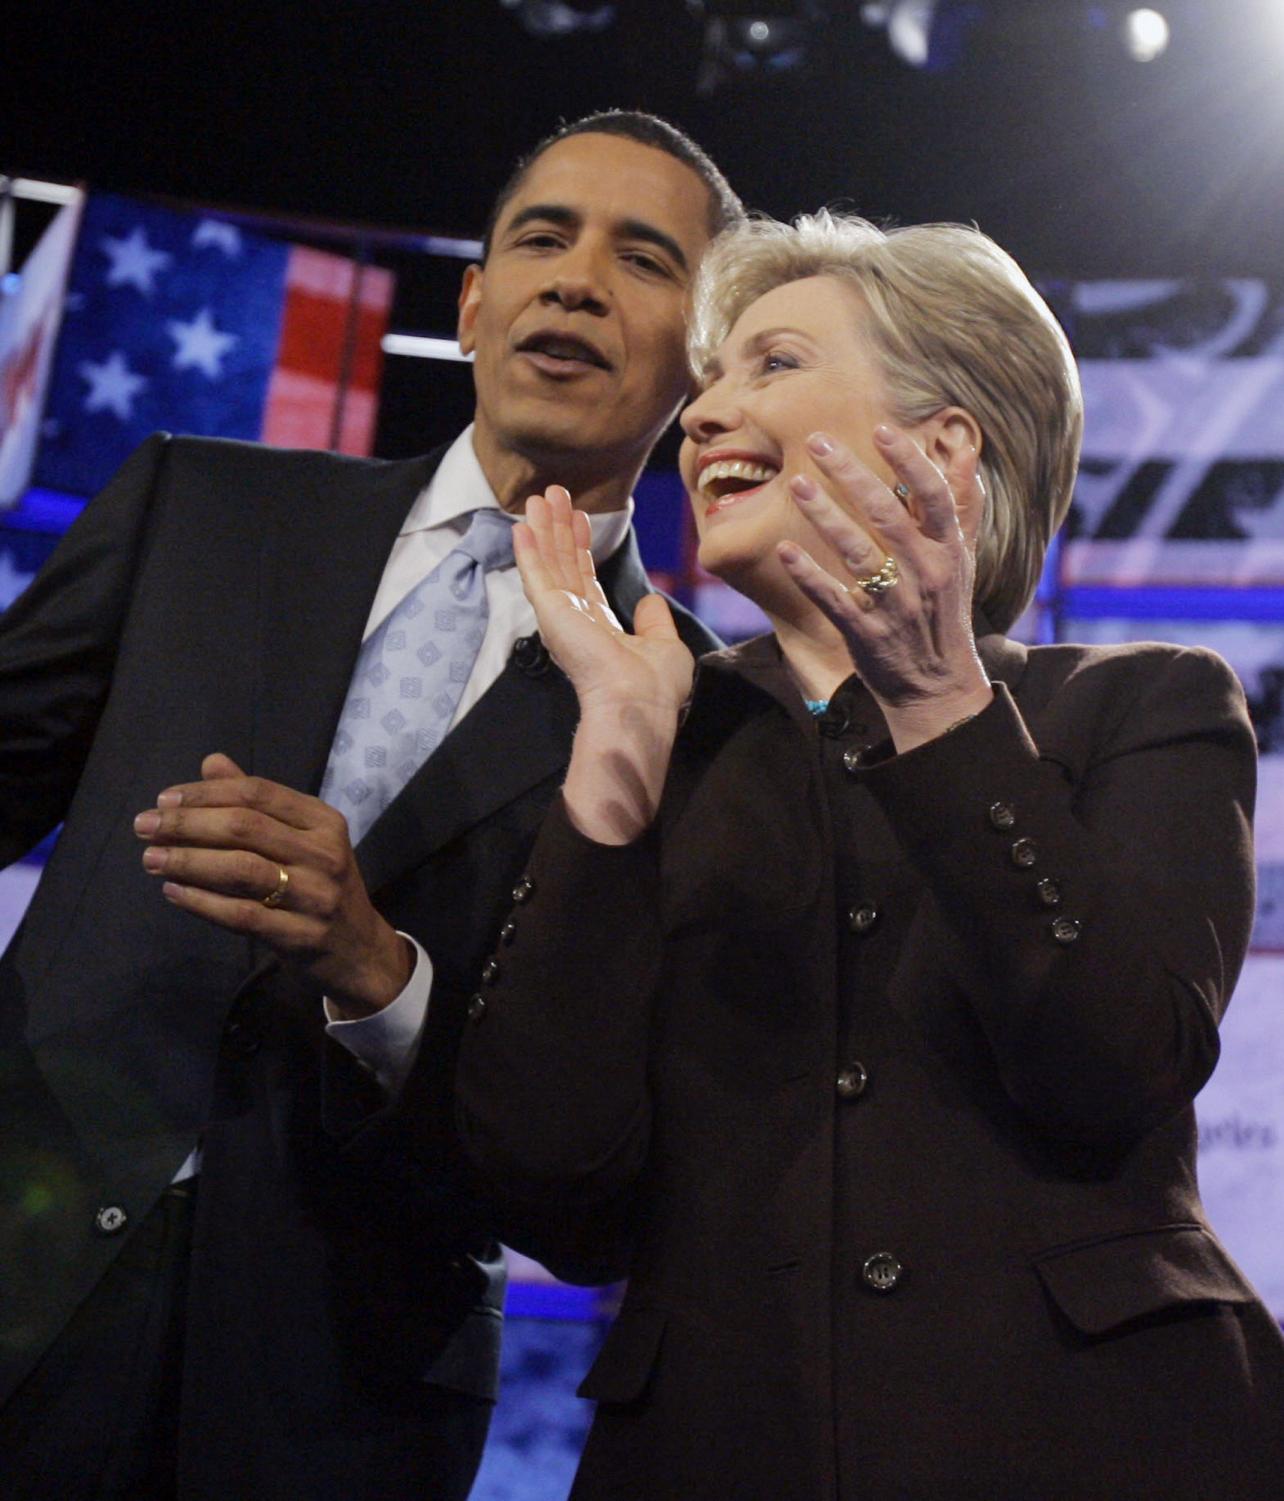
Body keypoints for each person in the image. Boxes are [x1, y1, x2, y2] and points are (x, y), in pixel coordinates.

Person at [453, 211, 1284, 1499]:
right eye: (712, 378)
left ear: (943, 446)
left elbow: (1118, 1062)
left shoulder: (1147, 705)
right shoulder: (645, 724)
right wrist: (617, 754)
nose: (705, 415)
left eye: (771, 366)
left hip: (1100, 1445)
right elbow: (552, 1195)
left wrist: (941, 701)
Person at [0, 111, 736, 1500]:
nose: (575, 279)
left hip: (334, 1398)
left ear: (706, 358)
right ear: (473, 305)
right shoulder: (201, 507)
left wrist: (380, 973)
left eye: (643, 258)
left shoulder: (703, 720)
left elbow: (600, 1179)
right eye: (541, 238)